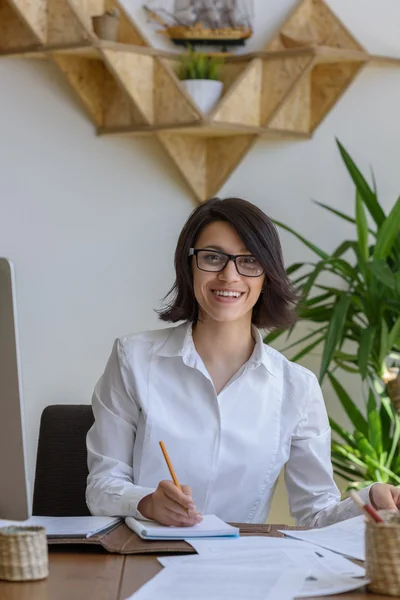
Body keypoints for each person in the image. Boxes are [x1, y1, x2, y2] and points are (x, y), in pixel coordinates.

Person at [86, 197, 400, 527]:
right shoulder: (132, 359)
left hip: (241, 564)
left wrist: (371, 498)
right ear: (188, 264)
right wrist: (147, 502)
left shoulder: (297, 387)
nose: (229, 275)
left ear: (267, 274)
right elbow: (101, 487)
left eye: (249, 261)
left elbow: (316, 514)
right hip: (144, 559)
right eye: (212, 257)